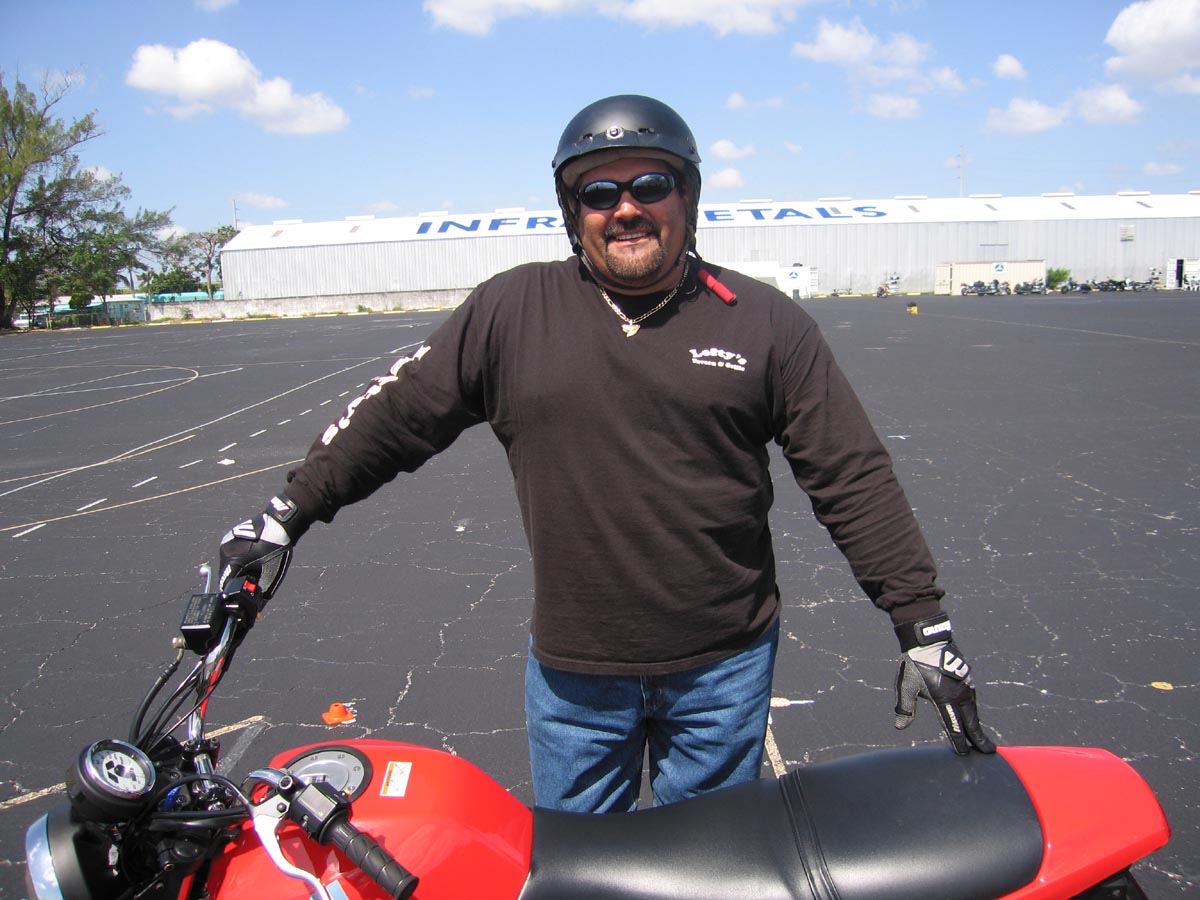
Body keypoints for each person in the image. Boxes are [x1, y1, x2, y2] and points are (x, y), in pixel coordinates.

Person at [217, 94, 995, 814]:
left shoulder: (764, 322)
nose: (626, 208)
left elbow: (850, 473)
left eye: (650, 184)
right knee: (580, 871)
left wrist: (921, 624)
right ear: (573, 212)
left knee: (711, 871)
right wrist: (287, 513)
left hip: (723, 671)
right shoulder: (513, 311)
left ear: (687, 197)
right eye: (598, 192)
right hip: (575, 679)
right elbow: (396, 413)